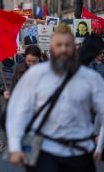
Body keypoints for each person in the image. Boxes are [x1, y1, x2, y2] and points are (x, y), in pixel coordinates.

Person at [6, 24, 104, 171]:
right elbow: (18, 111)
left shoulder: (91, 78)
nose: (63, 49)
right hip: (46, 152)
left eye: (67, 45)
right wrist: (14, 147)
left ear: (75, 47)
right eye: (59, 45)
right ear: (52, 47)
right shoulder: (36, 75)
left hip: (81, 153)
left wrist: (100, 146)